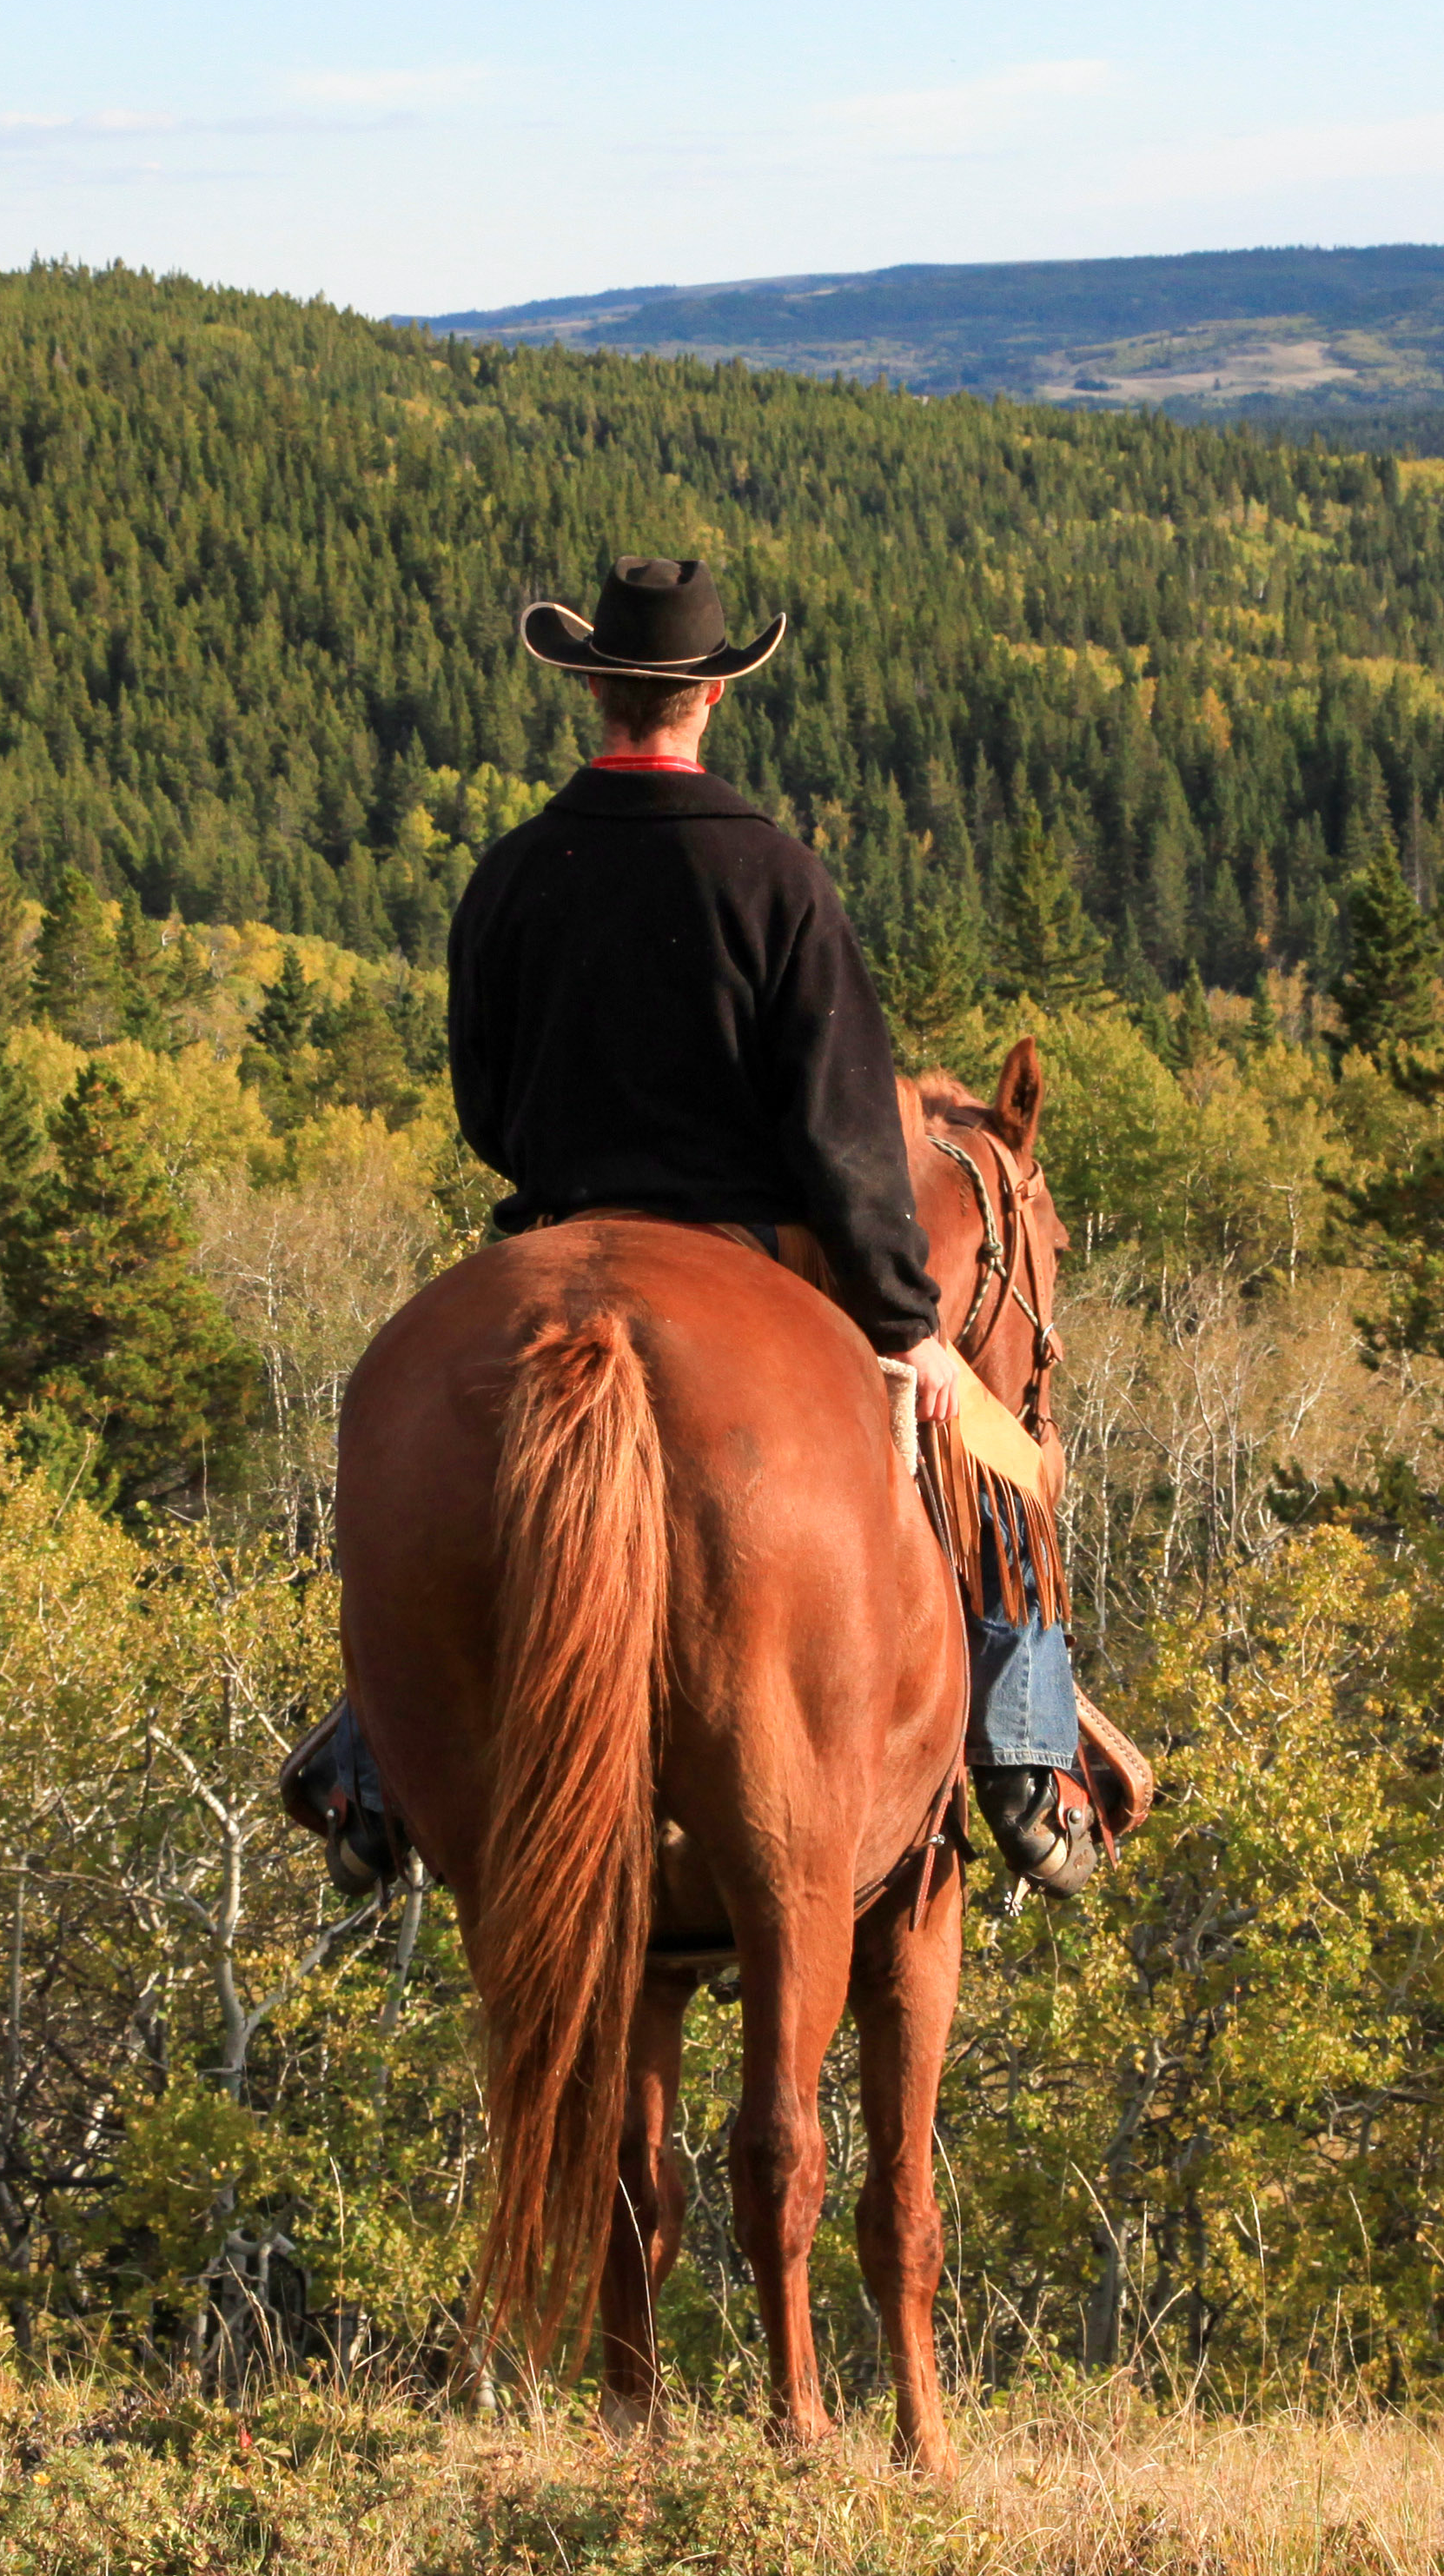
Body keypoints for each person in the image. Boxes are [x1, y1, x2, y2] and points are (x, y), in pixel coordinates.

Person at [282, 557, 1099, 1895]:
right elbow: (844, 1137)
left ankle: (374, 1748)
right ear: (710, 701)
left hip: (550, 1232)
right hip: (750, 1250)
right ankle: (1025, 1757)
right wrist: (908, 1328)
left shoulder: (509, 875)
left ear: (593, 687)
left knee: (408, 1431)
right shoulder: (777, 878)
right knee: (984, 1484)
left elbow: (486, 1111)